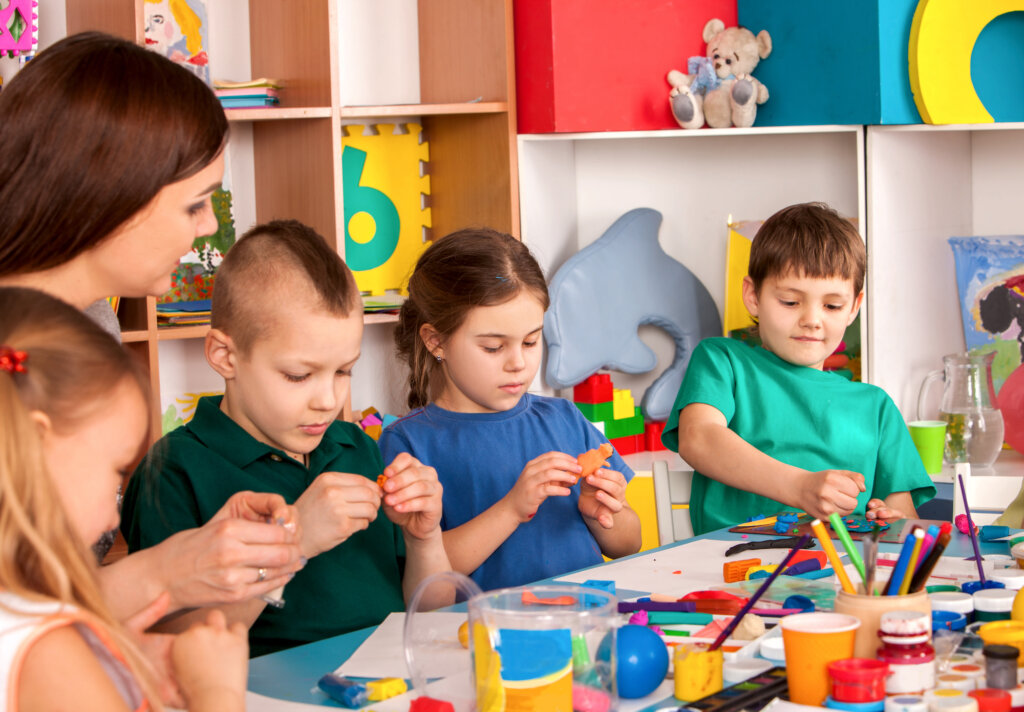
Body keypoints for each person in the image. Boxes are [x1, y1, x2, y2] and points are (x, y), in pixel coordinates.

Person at [0, 32, 305, 624]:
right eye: (195, 204)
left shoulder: (88, 321)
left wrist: (195, 556)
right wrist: (167, 571)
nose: (209, 226)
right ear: (111, 193)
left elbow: (47, 589)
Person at [121, 220, 452, 656]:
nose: (328, 400)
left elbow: (428, 612)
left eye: (343, 371)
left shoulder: (357, 447)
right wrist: (292, 544)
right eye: (299, 375)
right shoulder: (174, 471)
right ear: (225, 357)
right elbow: (177, 648)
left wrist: (423, 538)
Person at [0, 286, 250, 712]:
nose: (117, 508)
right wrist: (216, 693)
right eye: (117, 471)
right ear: (42, 447)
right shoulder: (46, 652)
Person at [379, 228, 642, 592]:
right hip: (483, 640)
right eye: (492, 347)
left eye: (531, 341)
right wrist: (512, 509)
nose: (518, 363)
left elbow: (630, 543)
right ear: (435, 340)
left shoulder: (564, 418)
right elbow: (424, 581)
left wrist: (601, 514)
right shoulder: (408, 445)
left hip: (583, 628)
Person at [662, 202, 936, 535]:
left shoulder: (875, 407)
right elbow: (699, 438)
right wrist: (799, 487)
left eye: (832, 305)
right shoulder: (724, 361)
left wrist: (889, 520)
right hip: (730, 567)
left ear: (853, 308)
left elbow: (902, 521)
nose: (811, 320)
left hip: (841, 574)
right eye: (790, 301)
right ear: (753, 296)